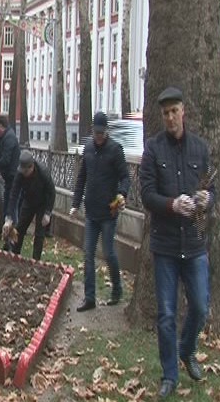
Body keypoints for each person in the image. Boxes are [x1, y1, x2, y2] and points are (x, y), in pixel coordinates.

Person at [139, 87, 214, 399]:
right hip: (166, 245)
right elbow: (146, 194)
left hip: (195, 242)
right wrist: (172, 205)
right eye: (166, 113)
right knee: (167, 314)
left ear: (184, 112)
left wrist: (207, 199)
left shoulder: (200, 148)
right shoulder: (153, 149)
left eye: (175, 111)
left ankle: (187, 348)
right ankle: (169, 375)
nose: (170, 117)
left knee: (200, 306)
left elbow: (210, 187)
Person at [69, 111, 131, 312]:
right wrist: (75, 204)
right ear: (92, 131)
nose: (98, 136)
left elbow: (125, 177)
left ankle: (117, 290)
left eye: (102, 133)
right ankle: (90, 298)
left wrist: (122, 194)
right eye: (96, 133)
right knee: (88, 254)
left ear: (107, 131)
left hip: (108, 213)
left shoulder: (115, 150)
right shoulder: (87, 148)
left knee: (109, 253)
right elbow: (81, 178)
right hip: (91, 211)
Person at [2, 151, 55, 261]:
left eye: (25, 171)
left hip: (43, 203)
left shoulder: (43, 172)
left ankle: (36, 260)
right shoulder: (20, 173)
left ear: (32, 167)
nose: (24, 174)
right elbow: (14, 194)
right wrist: (9, 217)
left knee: (39, 233)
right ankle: (15, 255)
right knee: (20, 228)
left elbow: (52, 192)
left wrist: (48, 213)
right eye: (22, 171)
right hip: (29, 200)